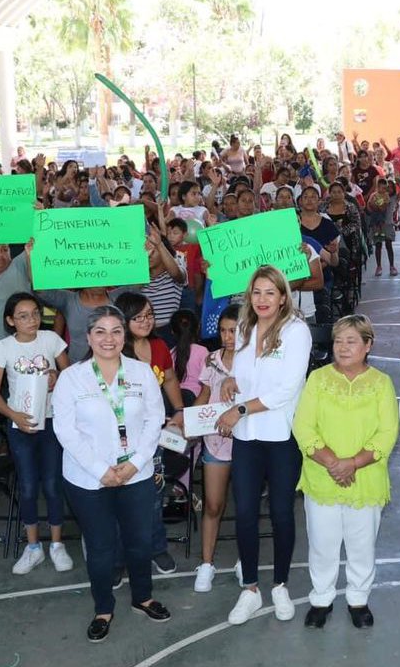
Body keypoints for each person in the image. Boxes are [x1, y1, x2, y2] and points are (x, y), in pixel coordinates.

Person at [52, 305, 171, 642]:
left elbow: (154, 419)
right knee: (102, 546)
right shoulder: (71, 378)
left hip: (137, 472)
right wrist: (101, 470)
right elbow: (65, 431)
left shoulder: (141, 372)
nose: (109, 338)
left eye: (116, 331)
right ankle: (103, 608)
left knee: (139, 541)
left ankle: (143, 598)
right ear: (88, 337)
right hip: (88, 479)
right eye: (100, 332)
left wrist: (134, 463)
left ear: (125, 335)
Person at [217, 266, 314, 626]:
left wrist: (239, 408)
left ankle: (280, 584)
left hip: (281, 437)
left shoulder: (296, 331)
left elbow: (287, 389)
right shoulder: (245, 328)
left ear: (283, 296)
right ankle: (251, 589)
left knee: (281, 513)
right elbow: (244, 374)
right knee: (244, 513)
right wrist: (229, 381)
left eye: (270, 292)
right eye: (256, 292)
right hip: (246, 436)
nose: (262, 300)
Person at [292, 314, 399, 629]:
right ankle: (321, 600)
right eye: (338, 340)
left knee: (362, 544)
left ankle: (358, 600)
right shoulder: (318, 379)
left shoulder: (381, 383)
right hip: (321, 478)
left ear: (368, 345)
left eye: (351, 341)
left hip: (365, 479)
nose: (342, 347)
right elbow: (303, 426)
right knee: (322, 543)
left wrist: (352, 464)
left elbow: (387, 433)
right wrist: (332, 464)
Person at [0, 292, 73, 575]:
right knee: (27, 486)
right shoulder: (4, 347)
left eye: (35, 313)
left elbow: (71, 376)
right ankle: (33, 546)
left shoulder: (50, 340)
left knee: (52, 484)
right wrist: (13, 416)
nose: (31, 320)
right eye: (23, 316)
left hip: (50, 422)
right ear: (11, 320)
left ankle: (57, 544)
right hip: (20, 425)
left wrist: (58, 377)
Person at [115, 292, 186, 575]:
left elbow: (168, 378)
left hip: (152, 436)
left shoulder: (158, 345)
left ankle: (157, 548)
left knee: (154, 494)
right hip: (119, 437)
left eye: (149, 315)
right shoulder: (115, 349)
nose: (146, 321)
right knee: (120, 496)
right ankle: (118, 558)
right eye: (138, 317)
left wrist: (179, 410)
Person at [191, 304, 241, 593]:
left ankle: (243, 561)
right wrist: (186, 419)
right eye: (223, 330)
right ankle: (207, 564)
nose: (227, 336)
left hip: (247, 442)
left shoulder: (255, 360)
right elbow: (205, 395)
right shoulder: (211, 360)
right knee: (213, 504)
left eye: (233, 331)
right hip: (216, 442)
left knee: (244, 506)